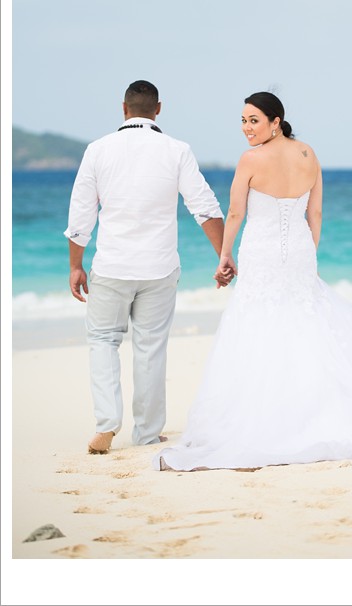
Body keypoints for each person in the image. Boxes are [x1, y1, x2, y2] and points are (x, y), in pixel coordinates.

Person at [156, 91, 352, 473]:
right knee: (308, 322)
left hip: (262, 251)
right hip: (299, 250)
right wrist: (308, 254)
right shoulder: (308, 154)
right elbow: (315, 213)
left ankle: (275, 412)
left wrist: (225, 255)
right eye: (244, 121)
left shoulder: (251, 160)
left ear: (275, 121)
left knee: (261, 325)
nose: (246, 128)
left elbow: (235, 212)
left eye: (254, 120)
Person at [65, 79, 232, 455]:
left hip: (111, 266)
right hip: (159, 267)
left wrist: (76, 266)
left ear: (123, 109)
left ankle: (107, 423)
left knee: (103, 341)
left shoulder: (98, 150)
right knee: (151, 347)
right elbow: (204, 207)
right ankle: (146, 433)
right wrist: (224, 256)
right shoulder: (177, 150)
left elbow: (80, 216)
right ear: (158, 109)